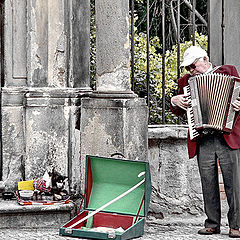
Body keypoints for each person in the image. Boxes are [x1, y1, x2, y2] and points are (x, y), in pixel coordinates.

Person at [170, 46, 240, 238]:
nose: (191, 71)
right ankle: (212, 223)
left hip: (227, 136)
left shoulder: (228, 72)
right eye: (188, 68)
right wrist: (174, 100)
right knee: (207, 181)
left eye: (193, 65)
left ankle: (236, 225)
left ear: (205, 59)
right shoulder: (186, 83)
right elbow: (177, 110)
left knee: (233, 182)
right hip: (203, 138)